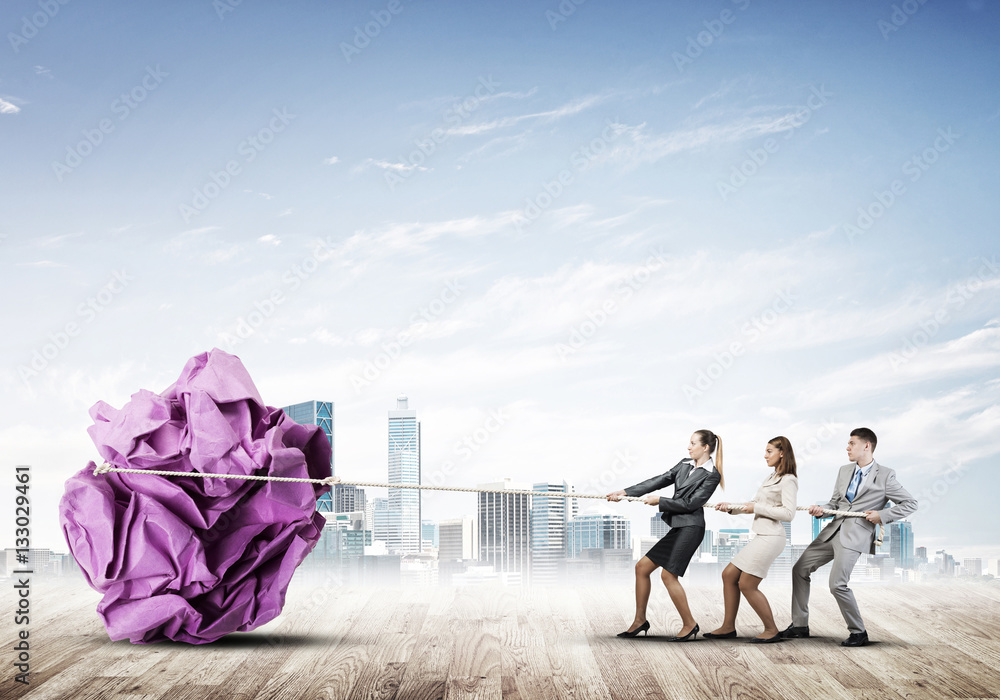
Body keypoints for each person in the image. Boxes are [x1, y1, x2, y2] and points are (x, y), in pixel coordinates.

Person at [780, 427, 917, 647]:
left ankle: (858, 632)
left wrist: (881, 515)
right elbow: (835, 504)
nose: (847, 447)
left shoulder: (885, 475)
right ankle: (799, 625)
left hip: (855, 535)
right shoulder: (844, 471)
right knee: (800, 569)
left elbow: (911, 504)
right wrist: (822, 510)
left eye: (851, 443)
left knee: (837, 584)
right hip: (832, 530)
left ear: (867, 446)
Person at [606, 429, 723, 641]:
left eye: (692, 443)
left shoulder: (712, 475)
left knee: (668, 575)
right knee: (642, 567)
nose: (688, 447)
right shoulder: (684, 464)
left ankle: (690, 624)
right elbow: (659, 480)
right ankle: (640, 621)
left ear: (705, 447)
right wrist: (625, 492)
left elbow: (691, 504)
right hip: (678, 527)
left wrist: (660, 501)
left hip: (691, 528)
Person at [706, 436, 798, 643]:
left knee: (747, 584)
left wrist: (756, 508)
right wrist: (732, 507)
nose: (764, 455)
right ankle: (728, 627)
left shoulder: (789, 480)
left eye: (769, 451)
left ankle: (771, 629)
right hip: (762, 535)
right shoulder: (772, 476)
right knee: (729, 575)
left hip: (772, 537)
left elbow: (789, 514)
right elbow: (755, 503)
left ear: (781, 453)